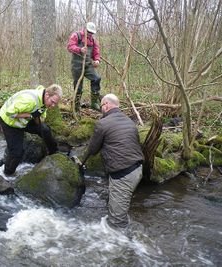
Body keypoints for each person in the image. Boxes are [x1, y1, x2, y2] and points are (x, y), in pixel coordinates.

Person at [81, 94, 144, 228]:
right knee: (118, 205)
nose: (101, 109)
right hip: (137, 170)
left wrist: (81, 163)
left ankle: (125, 245)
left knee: (116, 222)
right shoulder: (129, 121)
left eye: (102, 106)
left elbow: (92, 149)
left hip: (123, 175)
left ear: (107, 105)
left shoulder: (103, 123)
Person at [0, 84, 63, 175]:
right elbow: (9, 113)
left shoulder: (44, 100)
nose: (53, 106)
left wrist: (39, 125)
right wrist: (31, 115)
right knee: (17, 153)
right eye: (52, 102)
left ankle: (54, 152)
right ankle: (7, 174)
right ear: (47, 94)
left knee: (45, 130)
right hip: (10, 122)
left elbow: (40, 116)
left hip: (24, 121)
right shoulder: (29, 100)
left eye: (55, 104)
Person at [67, 22, 101, 111]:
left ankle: (94, 102)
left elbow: (96, 52)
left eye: (92, 33)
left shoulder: (93, 40)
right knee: (78, 86)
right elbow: (70, 47)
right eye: (89, 32)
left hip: (88, 64)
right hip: (77, 65)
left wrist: (97, 60)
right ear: (85, 29)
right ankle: (76, 106)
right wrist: (80, 49)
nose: (90, 34)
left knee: (96, 78)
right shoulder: (76, 35)